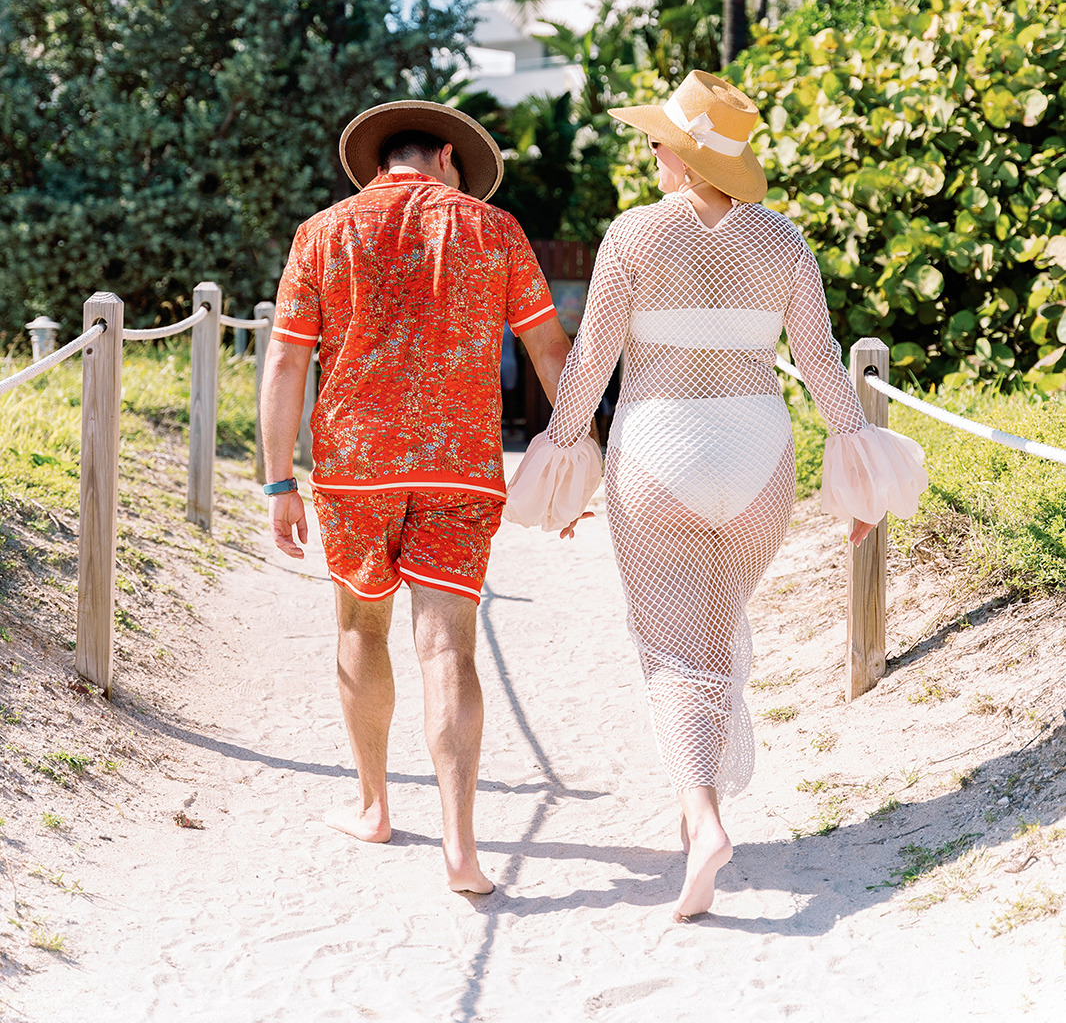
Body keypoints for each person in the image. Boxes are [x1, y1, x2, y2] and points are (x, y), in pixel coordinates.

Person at [507, 70, 926, 920]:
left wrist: (559, 468)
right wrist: (858, 476)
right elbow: (820, 362)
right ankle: (699, 808)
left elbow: (587, 367)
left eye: (660, 137)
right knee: (712, 626)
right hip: (759, 458)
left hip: (657, 452)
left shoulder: (632, 236)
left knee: (673, 648)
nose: (652, 148)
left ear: (682, 153)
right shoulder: (784, 242)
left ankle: (702, 822)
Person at [259, 99, 572, 895]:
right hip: (460, 464)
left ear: (379, 164)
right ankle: (461, 848)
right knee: (449, 649)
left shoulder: (322, 233)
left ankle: (374, 807)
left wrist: (278, 481)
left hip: (356, 465)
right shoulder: (494, 229)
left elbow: (288, 366)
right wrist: (573, 457)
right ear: (441, 154)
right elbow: (546, 346)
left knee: (361, 625)